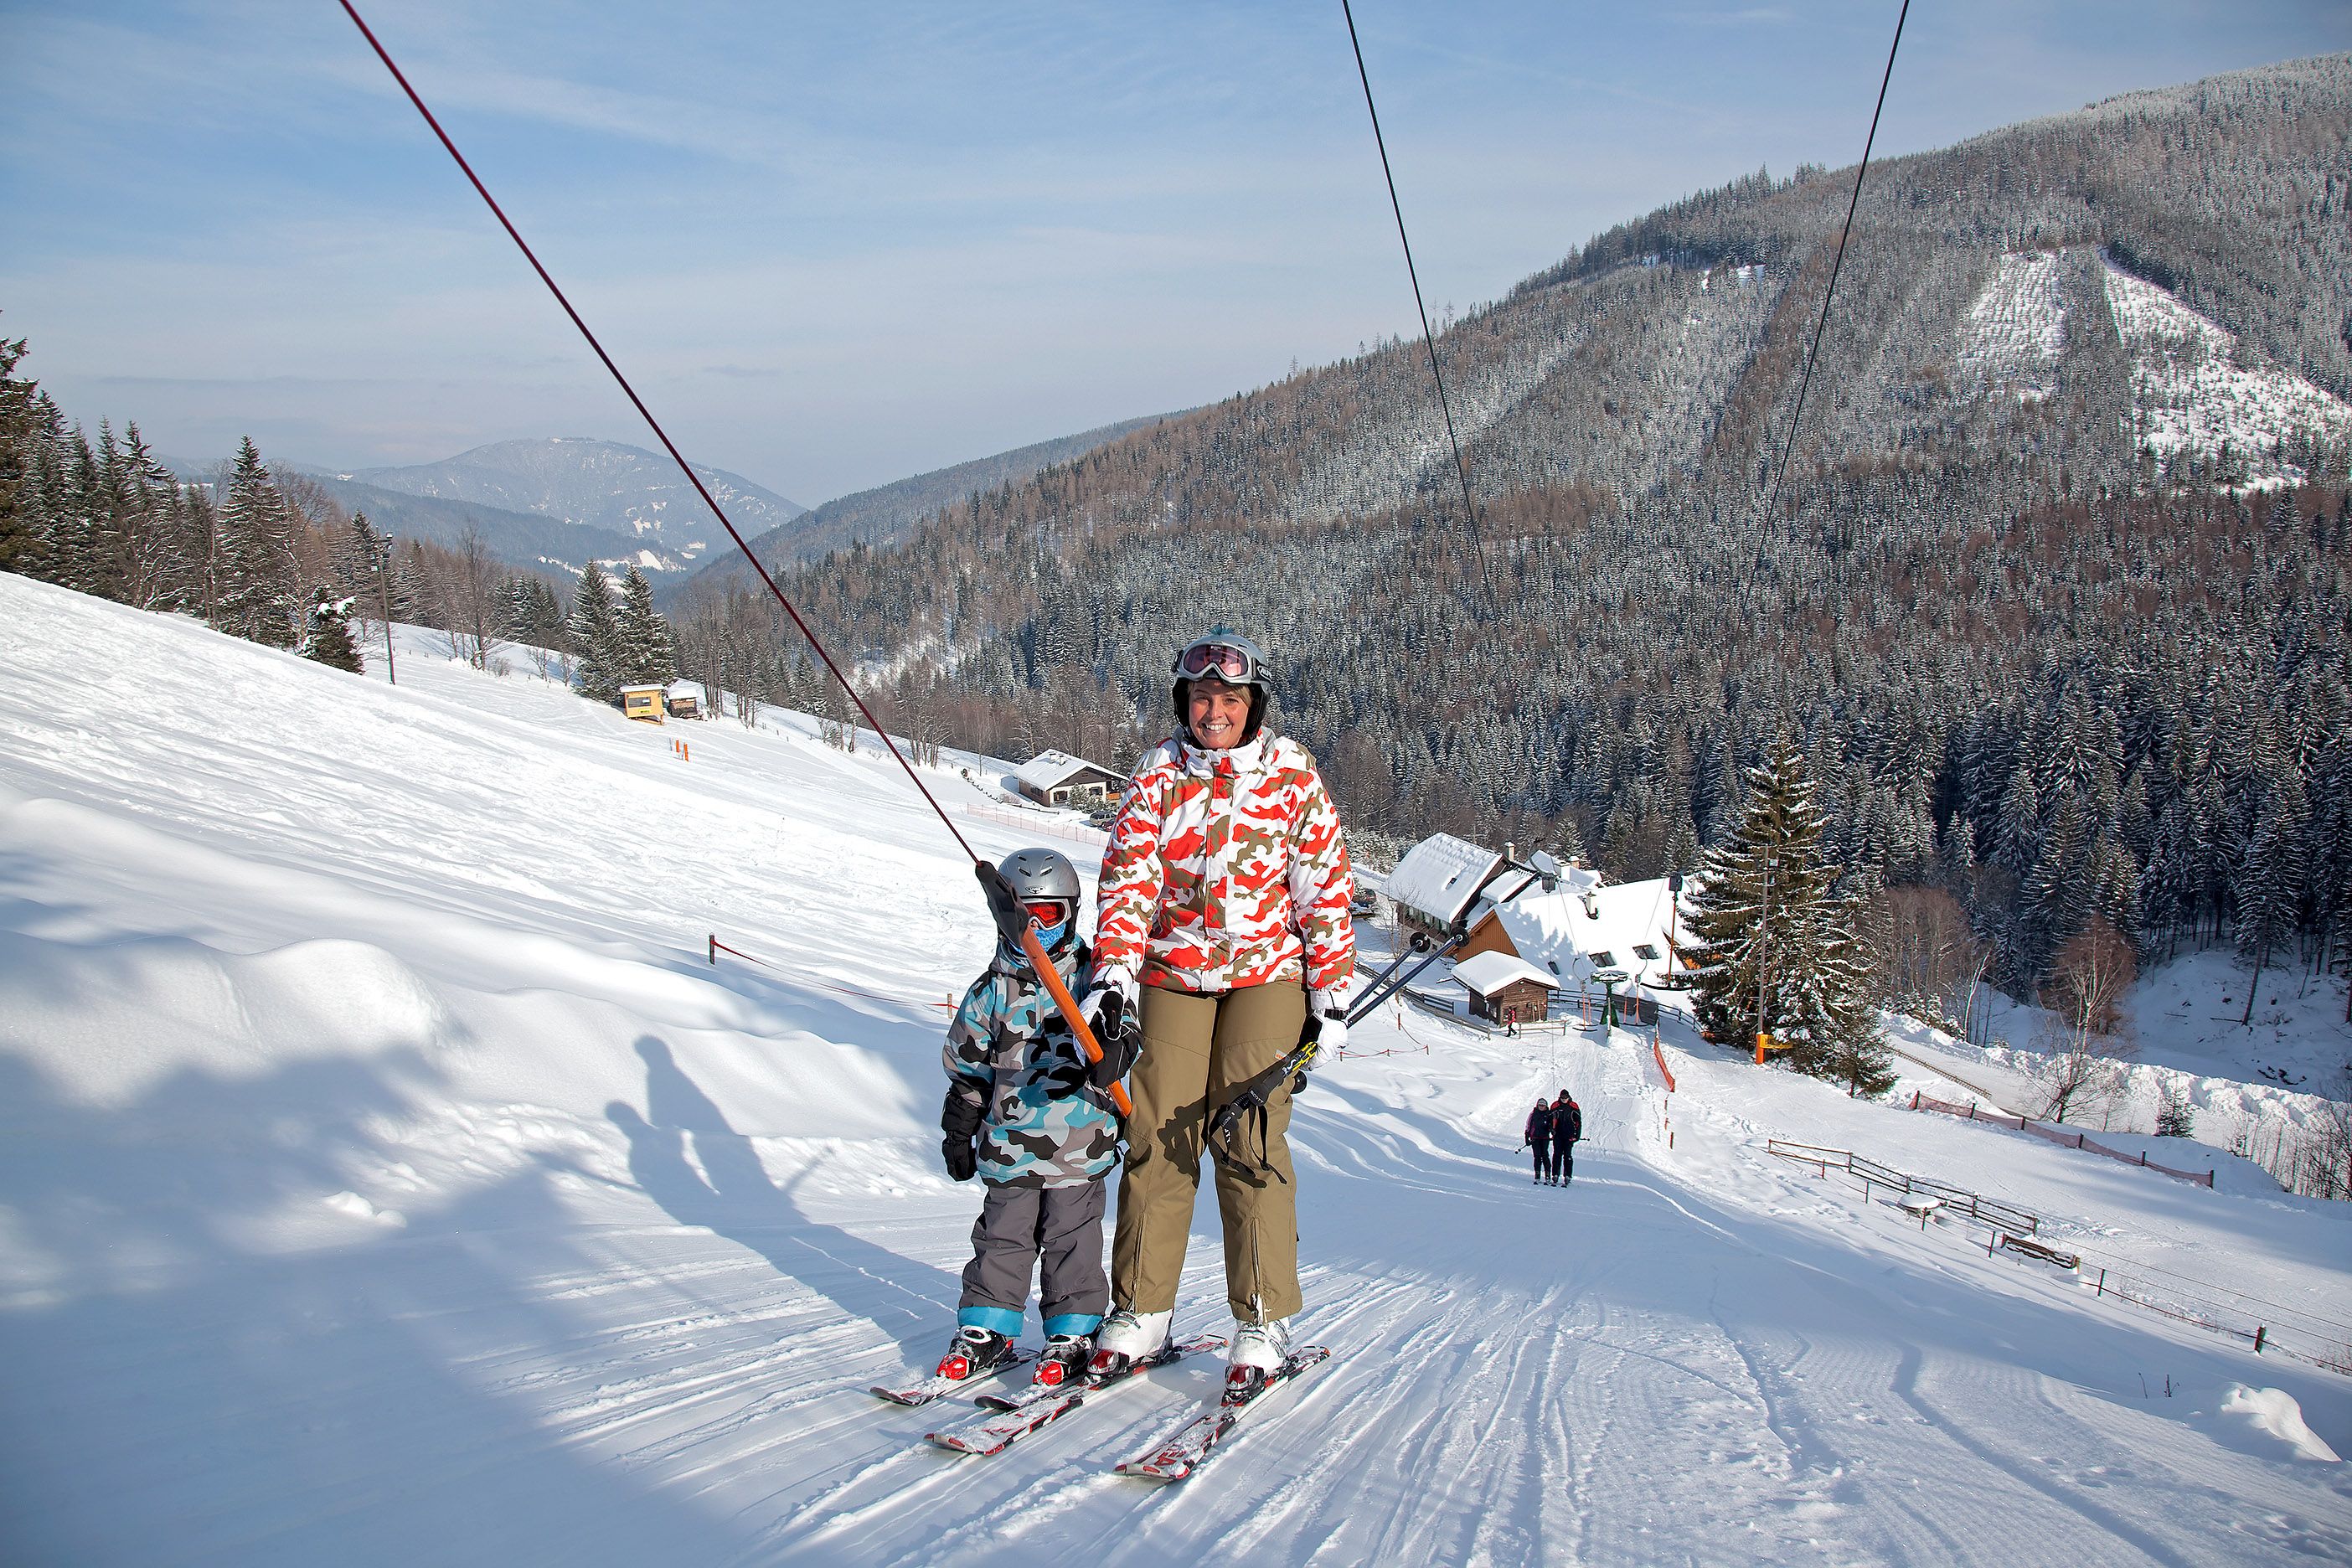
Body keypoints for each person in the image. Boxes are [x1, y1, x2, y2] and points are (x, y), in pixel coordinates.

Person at [1078, 632, 1356, 1395]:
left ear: (1251, 704)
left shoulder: (1292, 774)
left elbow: (1322, 886)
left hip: (1267, 972)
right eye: (1201, 698)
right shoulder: (1159, 773)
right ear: (1184, 702)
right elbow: (1129, 875)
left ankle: (1264, 1316)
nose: (1213, 711)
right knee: (1158, 1133)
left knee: (1249, 1135)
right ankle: (1141, 1309)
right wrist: (1114, 974)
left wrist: (1330, 994)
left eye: (1229, 699)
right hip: (1174, 968)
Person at [936, 847, 1123, 1388]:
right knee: (1002, 1238)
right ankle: (987, 1327)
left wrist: (1113, 1048)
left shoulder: (1098, 982)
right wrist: (959, 1130)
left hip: (1081, 1143)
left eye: (1050, 915)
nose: (1037, 927)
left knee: (1073, 1239)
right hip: (1008, 1146)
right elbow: (968, 1069)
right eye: (1027, 915)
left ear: (1072, 913)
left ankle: (1074, 1328)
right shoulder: (993, 989)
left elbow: (1125, 1034)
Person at [1551, 1091, 1583, 1185]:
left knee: (1567, 1156)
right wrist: (1551, 1129)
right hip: (1558, 1135)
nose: (1564, 1099)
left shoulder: (1573, 1106)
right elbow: (1550, 1118)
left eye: (1566, 1098)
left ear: (1568, 1097)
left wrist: (1577, 1136)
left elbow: (1578, 1122)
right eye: (1562, 1098)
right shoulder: (1555, 1105)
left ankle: (1568, 1175)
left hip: (1569, 1135)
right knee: (1557, 1155)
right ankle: (1555, 1174)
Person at [1523, 1097, 1555, 1185]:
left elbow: (1552, 1125)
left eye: (1543, 1105)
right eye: (1540, 1105)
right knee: (1537, 1156)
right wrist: (1527, 1136)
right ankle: (1537, 1175)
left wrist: (1552, 1131)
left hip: (1545, 1138)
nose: (1541, 1107)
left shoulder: (1549, 1114)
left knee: (1545, 1155)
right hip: (1535, 1138)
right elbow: (1528, 1125)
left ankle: (1548, 1175)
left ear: (1546, 1106)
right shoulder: (1533, 1114)